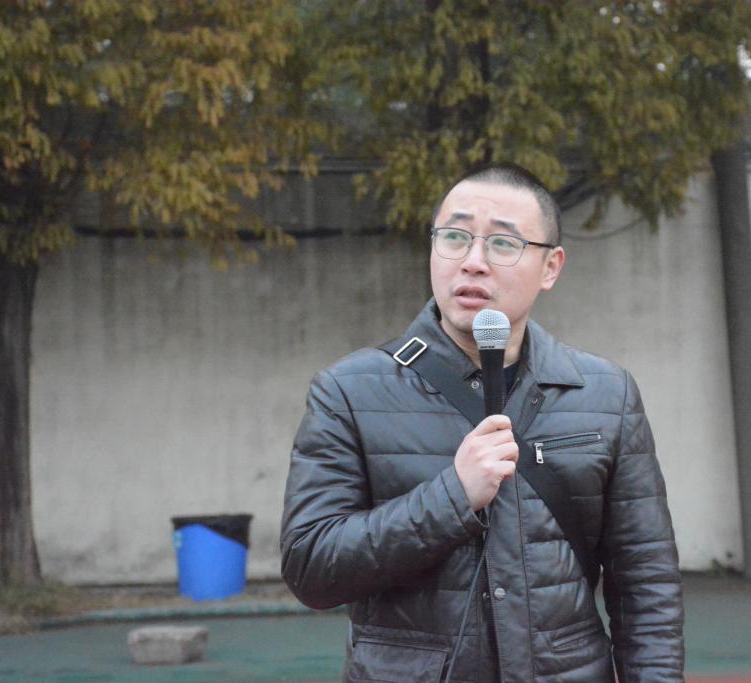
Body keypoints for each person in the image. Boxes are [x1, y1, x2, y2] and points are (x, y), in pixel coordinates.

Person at [280, 163, 684, 683]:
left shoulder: (606, 394)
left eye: (502, 244)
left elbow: (646, 585)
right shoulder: (349, 391)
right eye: (455, 237)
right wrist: (453, 497)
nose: (473, 262)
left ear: (551, 267)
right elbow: (311, 569)